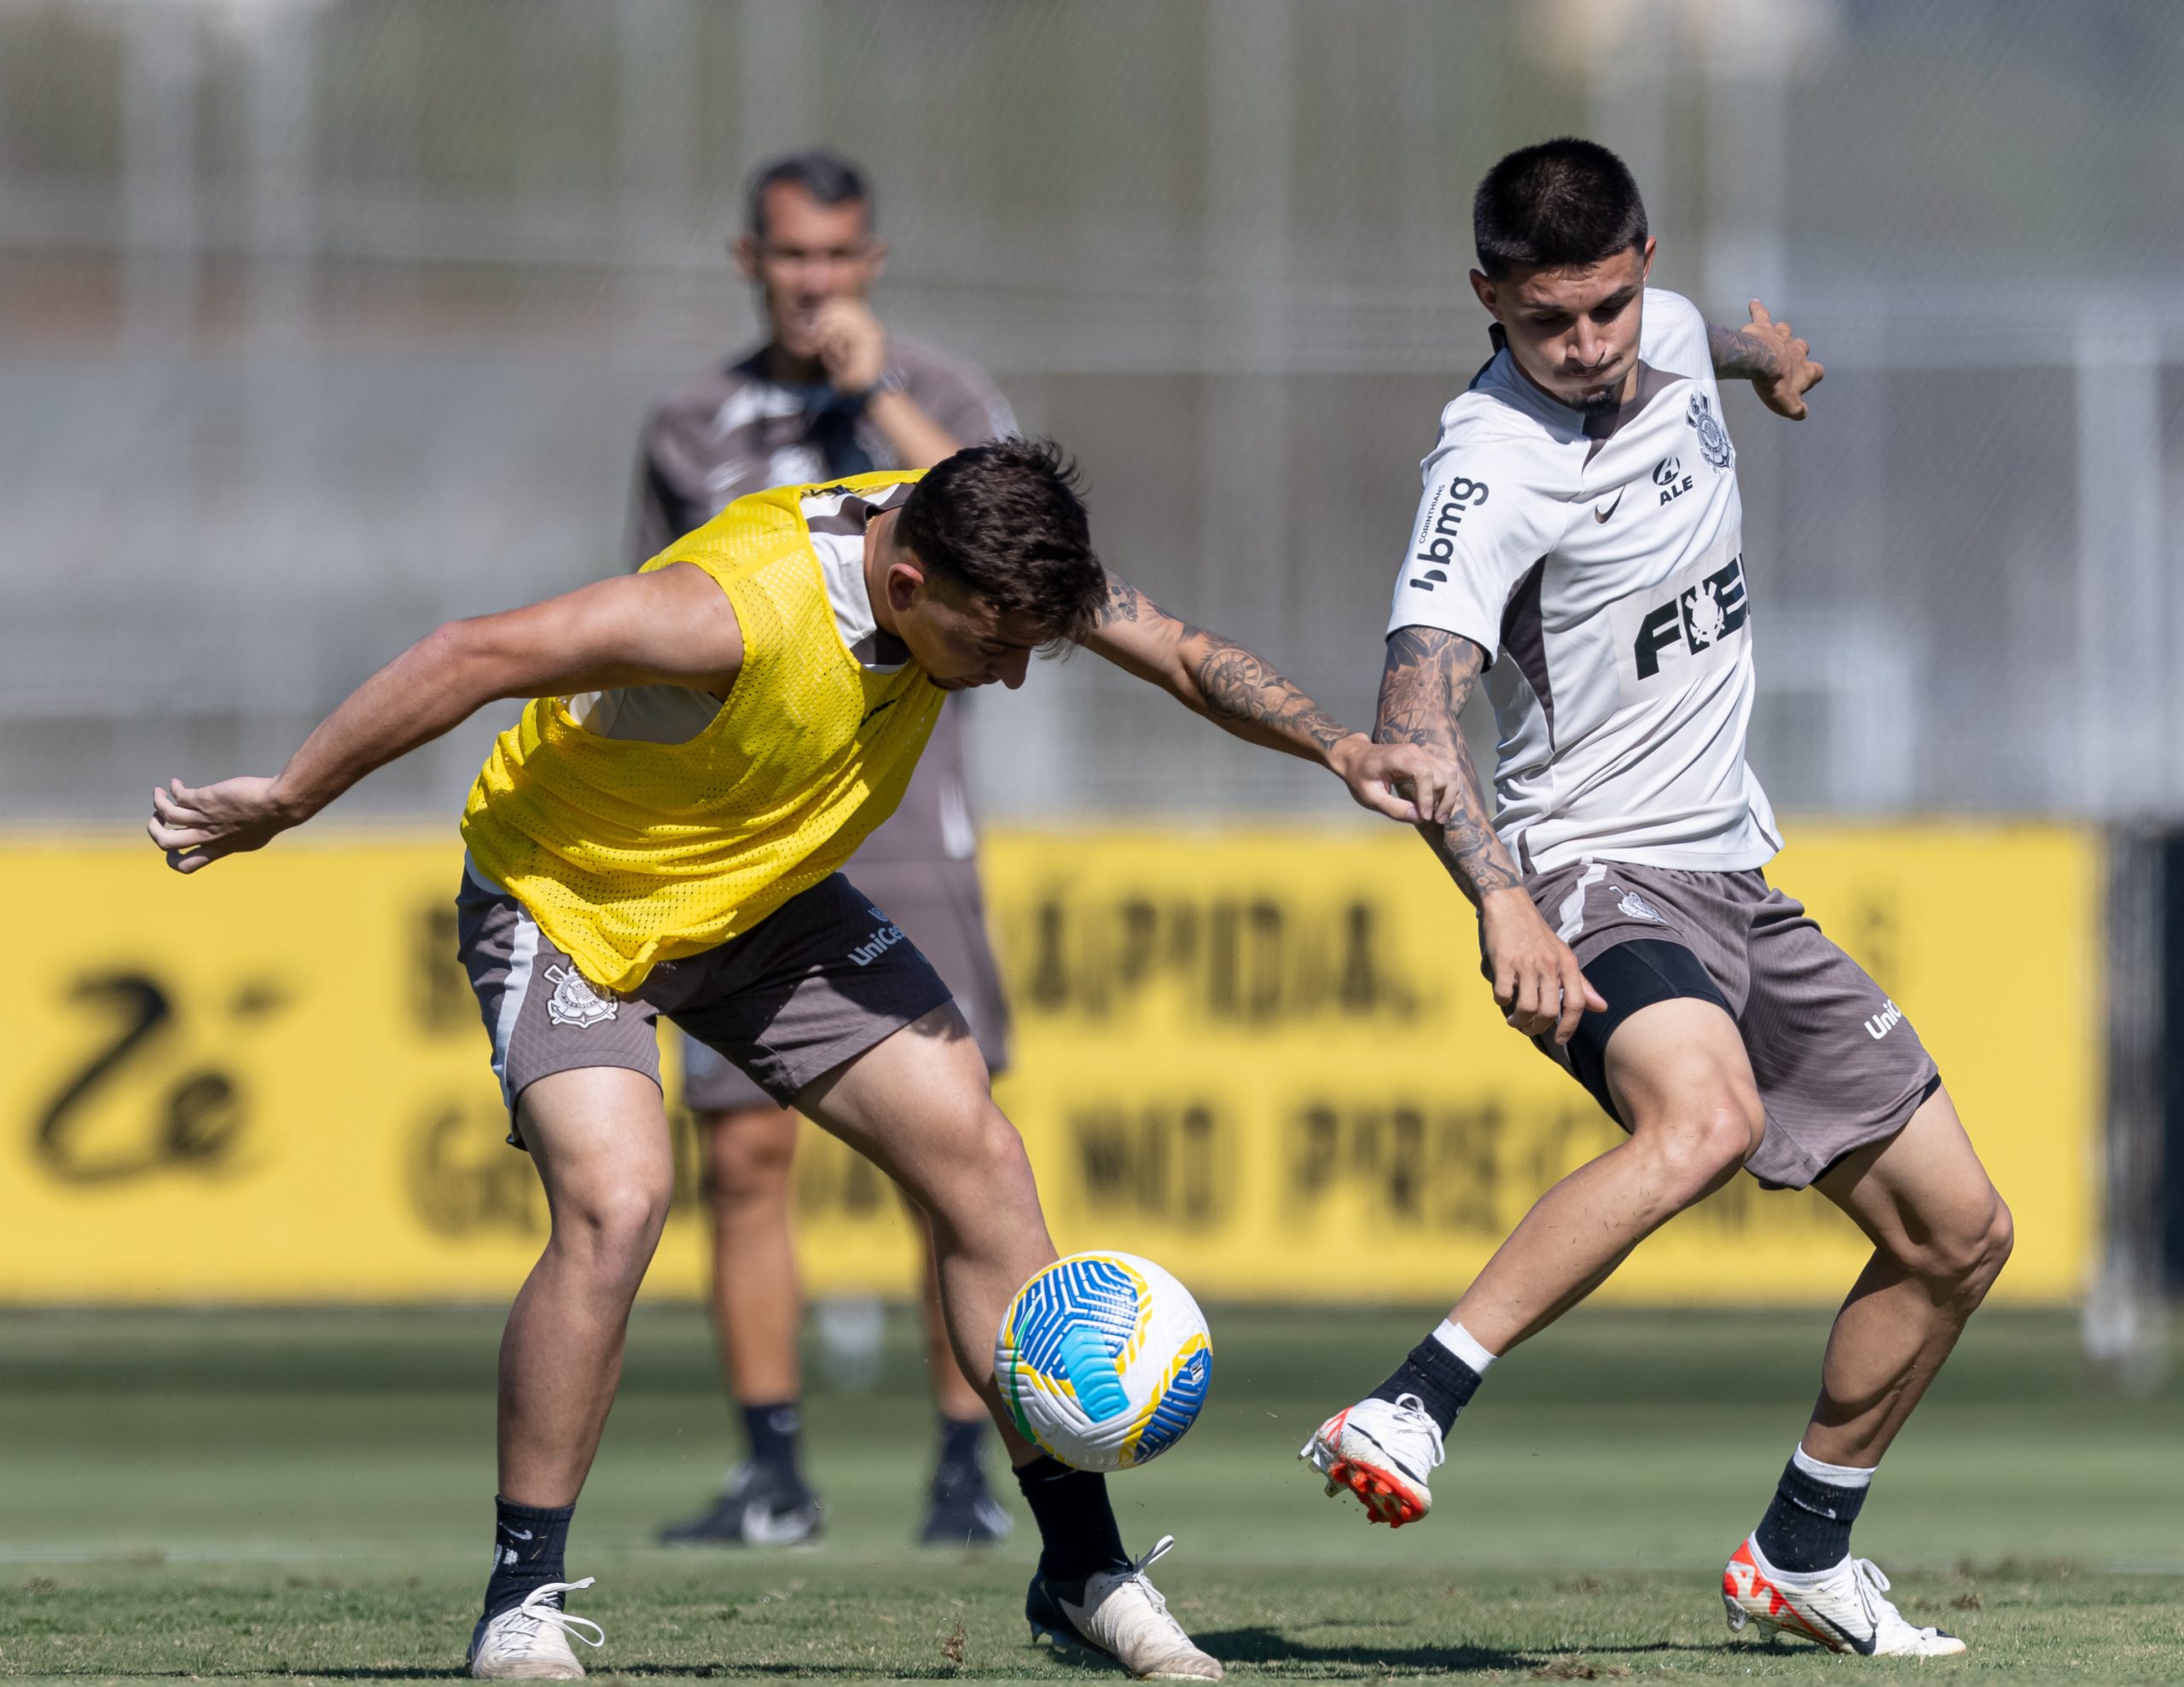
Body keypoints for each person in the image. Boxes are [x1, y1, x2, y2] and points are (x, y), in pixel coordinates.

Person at [150, 439, 1463, 1681]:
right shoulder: (727, 609)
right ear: (907, 585)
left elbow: (1174, 649)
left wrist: (1339, 744)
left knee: (978, 1158)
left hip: (765, 900)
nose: (1007, 678)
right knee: (619, 1200)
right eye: (993, 648)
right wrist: (291, 795)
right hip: (575, 900)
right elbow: (476, 649)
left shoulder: (973, 539)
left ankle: (1080, 1568)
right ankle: (521, 1594)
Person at [1298, 140, 2009, 1661]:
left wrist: (1773, 359)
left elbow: (1714, 340)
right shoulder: (1485, 468)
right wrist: (1501, 902)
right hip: (1593, 872)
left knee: (1961, 1234)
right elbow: (1417, 724)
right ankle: (1412, 1404)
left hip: (1732, 871)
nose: (1587, 348)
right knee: (1707, 1119)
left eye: (1610, 307)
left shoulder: (1668, 331)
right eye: (1548, 320)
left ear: (1645, 266)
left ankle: (1802, 1552)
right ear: (1487, 298)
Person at [636, 149, 1020, 1550]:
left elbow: (1004, 543)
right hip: (744, 845)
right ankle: (772, 1473)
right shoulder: (690, 421)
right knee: (739, 1156)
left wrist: (872, 391)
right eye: (791, 258)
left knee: (952, 1151)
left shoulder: (944, 398)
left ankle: (970, 1467)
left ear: (873, 262)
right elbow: (651, 617)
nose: (815, 283)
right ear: (753, 261)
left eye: (839, 258)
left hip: (912, 826)